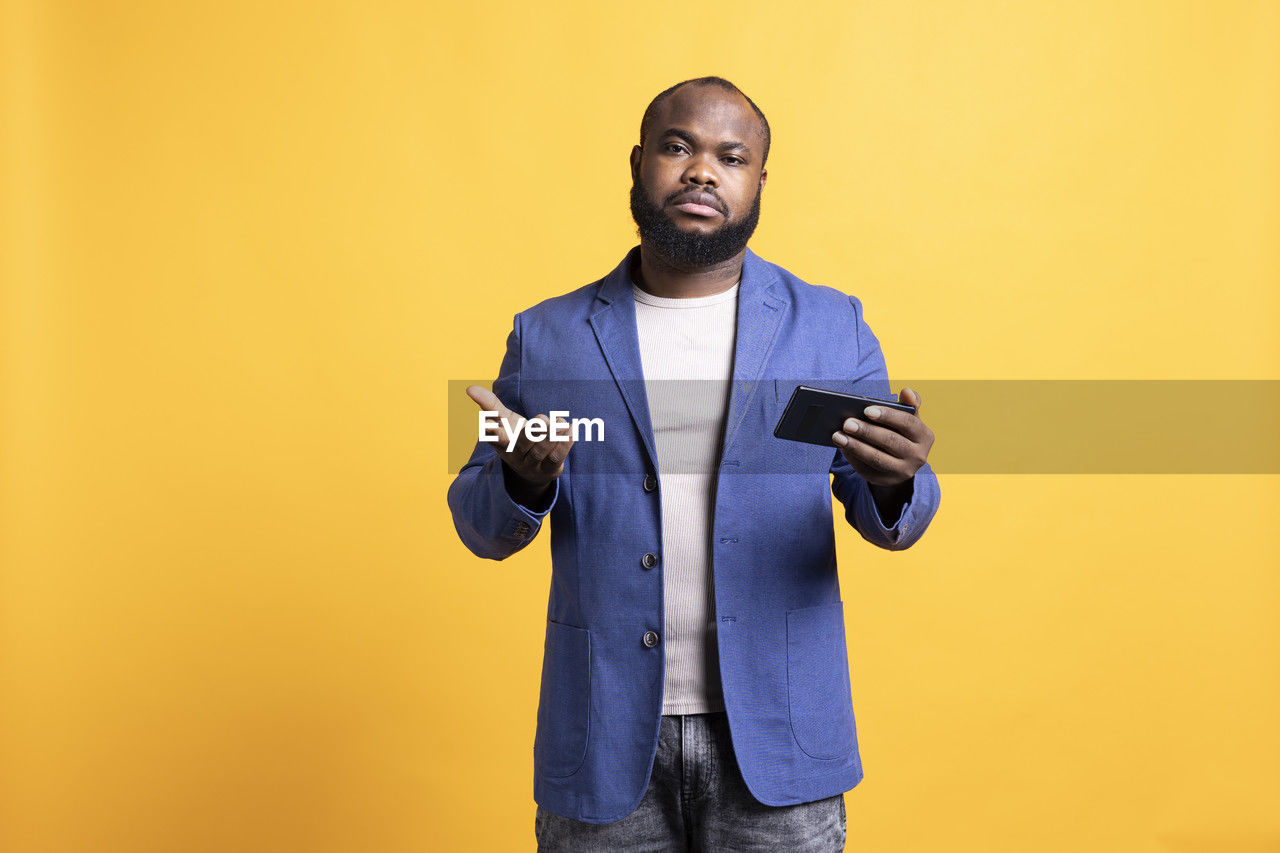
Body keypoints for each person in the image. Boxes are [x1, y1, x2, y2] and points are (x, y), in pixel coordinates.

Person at [448, 76, 941, 852]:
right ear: (640, 162)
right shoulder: (547, 335)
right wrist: (523, 479)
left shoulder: (830, 324)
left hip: (779, 745)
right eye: (678, 147)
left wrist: (894, 478)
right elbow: (480, 522)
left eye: (730, 156)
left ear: (758, 182)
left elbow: (896, 516)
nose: (702, 171)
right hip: (604, 742)